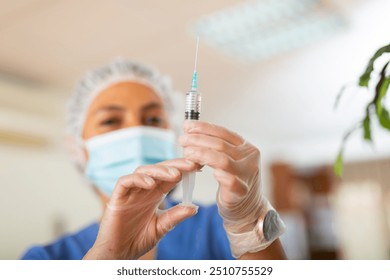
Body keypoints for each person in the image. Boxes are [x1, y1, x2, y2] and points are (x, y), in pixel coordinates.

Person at [22, 58, 286, 260]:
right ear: (79, 148)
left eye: (152, 120)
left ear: (172, 137)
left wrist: (249, 225)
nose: (136, 132)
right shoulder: (47, 259)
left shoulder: (215, 225)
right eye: (111, 121)